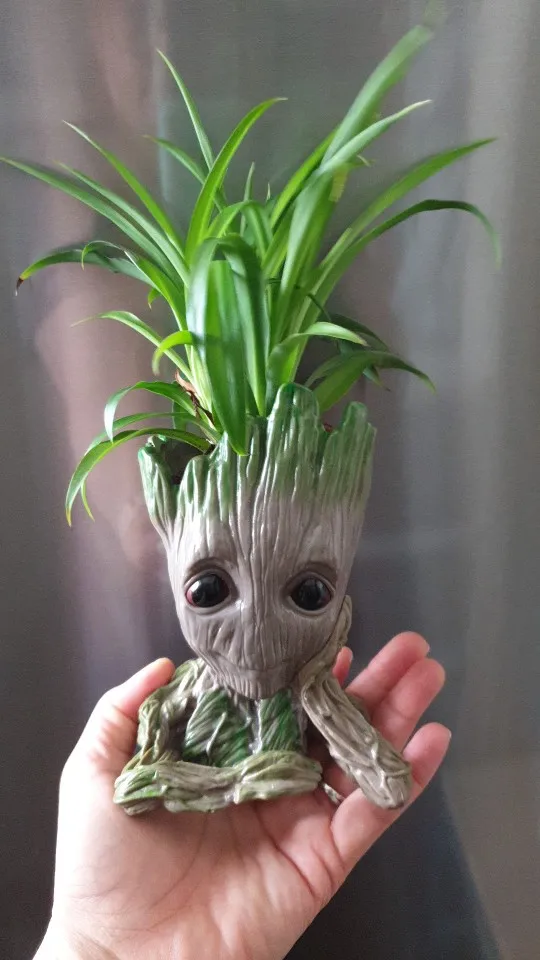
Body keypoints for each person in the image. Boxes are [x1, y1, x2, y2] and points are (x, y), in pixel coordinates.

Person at [35, 632, 448, 960]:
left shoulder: (303, 684)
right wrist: (93, 943)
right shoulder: (195, 682)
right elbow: (134, 785)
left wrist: (96, 947)